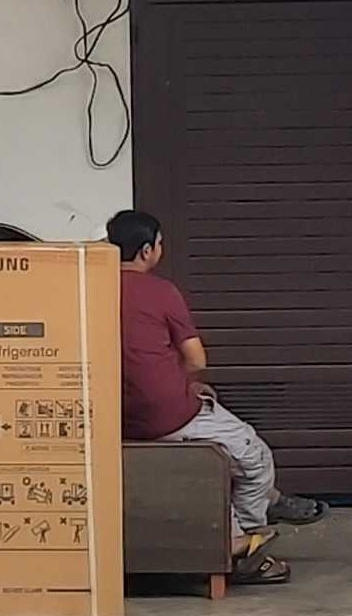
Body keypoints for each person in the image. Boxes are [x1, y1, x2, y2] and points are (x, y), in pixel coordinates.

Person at [105, 209, 325, 588]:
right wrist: (183, 380)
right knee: (254, 458)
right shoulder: (161, 291)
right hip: (166, 416)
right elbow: (197, 360)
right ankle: (245, 548)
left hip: (113, 416)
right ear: (146, 251)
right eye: (159, 244)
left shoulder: (89, 290)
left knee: (225, 453)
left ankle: (266, 504)